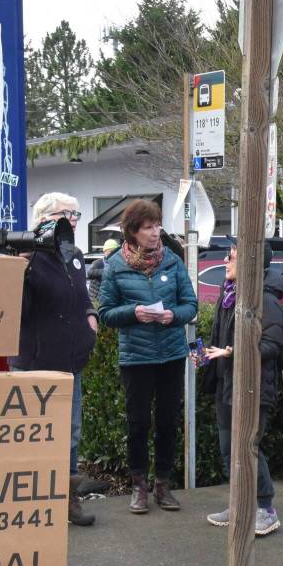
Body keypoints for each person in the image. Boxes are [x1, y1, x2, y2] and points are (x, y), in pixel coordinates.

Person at [99, 199, 197, 513]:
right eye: (147, 228)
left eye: (157, 226)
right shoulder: (115, 264)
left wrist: (174, 315)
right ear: (132, 232)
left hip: (170, 354)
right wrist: (134, 312)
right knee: (138, 423)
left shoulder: (173, 261)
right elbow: (105, 313)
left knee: (168, 422)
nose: (155, 233)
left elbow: (191, 305)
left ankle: (163, 485)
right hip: (136, 358)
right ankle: (138, 486)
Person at [10, 192, 99, 527]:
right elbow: (18, 313)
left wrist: (92, 314)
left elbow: (81, 297)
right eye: (67, 213)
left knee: (70, 434)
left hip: (70, 361)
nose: (73, 219)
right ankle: (31, 503)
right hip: (35, 361)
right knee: (32, 435)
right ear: (44, 218)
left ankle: (68, 498)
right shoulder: (29, 256)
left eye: (76, 213)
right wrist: (19, 274)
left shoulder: (73, 255)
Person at [200, 240, 283, 536]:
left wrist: (232, 353)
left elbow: (272, 345)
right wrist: (204, 355)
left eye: (232, 257)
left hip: (253, 388)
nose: (225, 261)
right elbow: (222, 340)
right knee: (228, 449)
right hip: (227, 386)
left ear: (249, 264)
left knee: (247, 447)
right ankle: (240, 505)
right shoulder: (228, 296)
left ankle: (265, 509)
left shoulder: (266, 300)